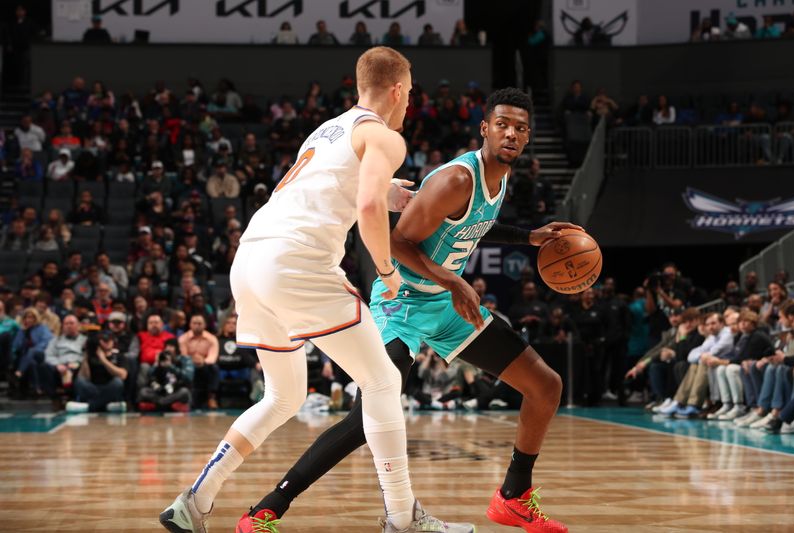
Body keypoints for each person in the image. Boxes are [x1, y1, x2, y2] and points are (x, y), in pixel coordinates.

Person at [160, 47, 470, 533]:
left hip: (250, 259)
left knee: (283, 397)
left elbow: (340, 189)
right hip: (295, 264)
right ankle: (403, 518)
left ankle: (195, 501)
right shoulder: (385, 136)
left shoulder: (329, 129)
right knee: (384, 381)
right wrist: (387, 272)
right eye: (409, 94)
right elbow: (366, 209)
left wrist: (388, 194)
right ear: (396, 91)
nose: (409, 104)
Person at [245, 88, 570, 533]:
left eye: (519, 128)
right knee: (365, 419)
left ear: (528, 136)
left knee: (545, 386)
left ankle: (513, 497)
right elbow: (397, 242)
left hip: (444, 305)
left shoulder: (501, 177)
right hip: (401, 303)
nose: (510, 133)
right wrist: (453, 280)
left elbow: (475, 226)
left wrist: (527, 237)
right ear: (485, 129)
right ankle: (266, 509)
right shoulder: (457, 178)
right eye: (502, 125)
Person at [66, 331, 128, 413]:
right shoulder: (91, 356)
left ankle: (90, 406)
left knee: (118, 382)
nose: (107, 342)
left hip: (109, 388)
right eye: (104, 340)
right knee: (79, 381)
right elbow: (85, 377)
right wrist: (86, 357)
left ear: (113, 341)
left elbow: (123, 375)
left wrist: (103, 360)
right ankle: (105, 405)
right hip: (92, 388)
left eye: (109, 340)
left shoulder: (119, 356)